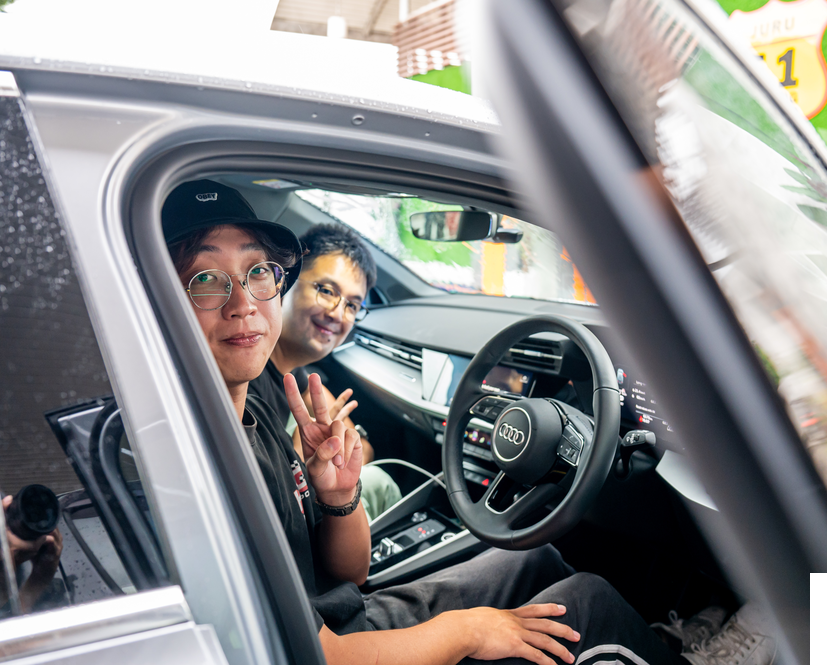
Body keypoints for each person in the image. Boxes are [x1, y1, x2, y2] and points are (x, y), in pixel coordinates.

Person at [163, 179, 776, 665]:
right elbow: (319, 657)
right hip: (331, 648)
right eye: (206, 280)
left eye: (257, 272)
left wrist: (339, 496)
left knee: (533, 561)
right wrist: (469, 631)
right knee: (585, 604)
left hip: (338, 617)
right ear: (161, 297)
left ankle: (647, 648)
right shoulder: (200, 465)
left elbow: (348, 575)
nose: (242, 303)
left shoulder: (252, 406)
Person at [247, 223, 401, 521]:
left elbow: (363, 447)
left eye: (352, 305)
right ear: (285, 280)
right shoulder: (247, 376)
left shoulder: (297, 374)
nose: (337, 314)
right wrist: (301, 459)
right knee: (381, 483)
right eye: (327, 291)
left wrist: (336, 446)